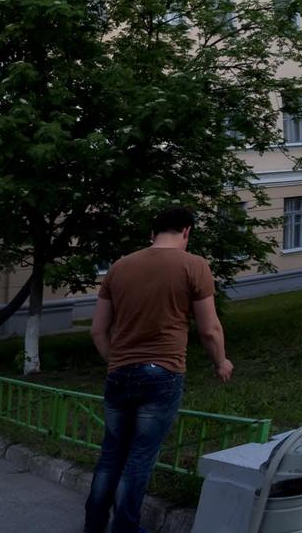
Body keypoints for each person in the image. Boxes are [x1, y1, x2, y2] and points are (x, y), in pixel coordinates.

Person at [84, 206, 233, 533]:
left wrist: (116, 361)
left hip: (119, 374)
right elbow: (209, 330)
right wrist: (221, 362)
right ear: (187, 231)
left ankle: (94, 526)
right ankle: (125, 528)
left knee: (111, 455)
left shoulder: (119, 267)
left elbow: (97, 330)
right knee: (139, 458)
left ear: (152, 233)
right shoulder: (194, 265)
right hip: (162, 373)